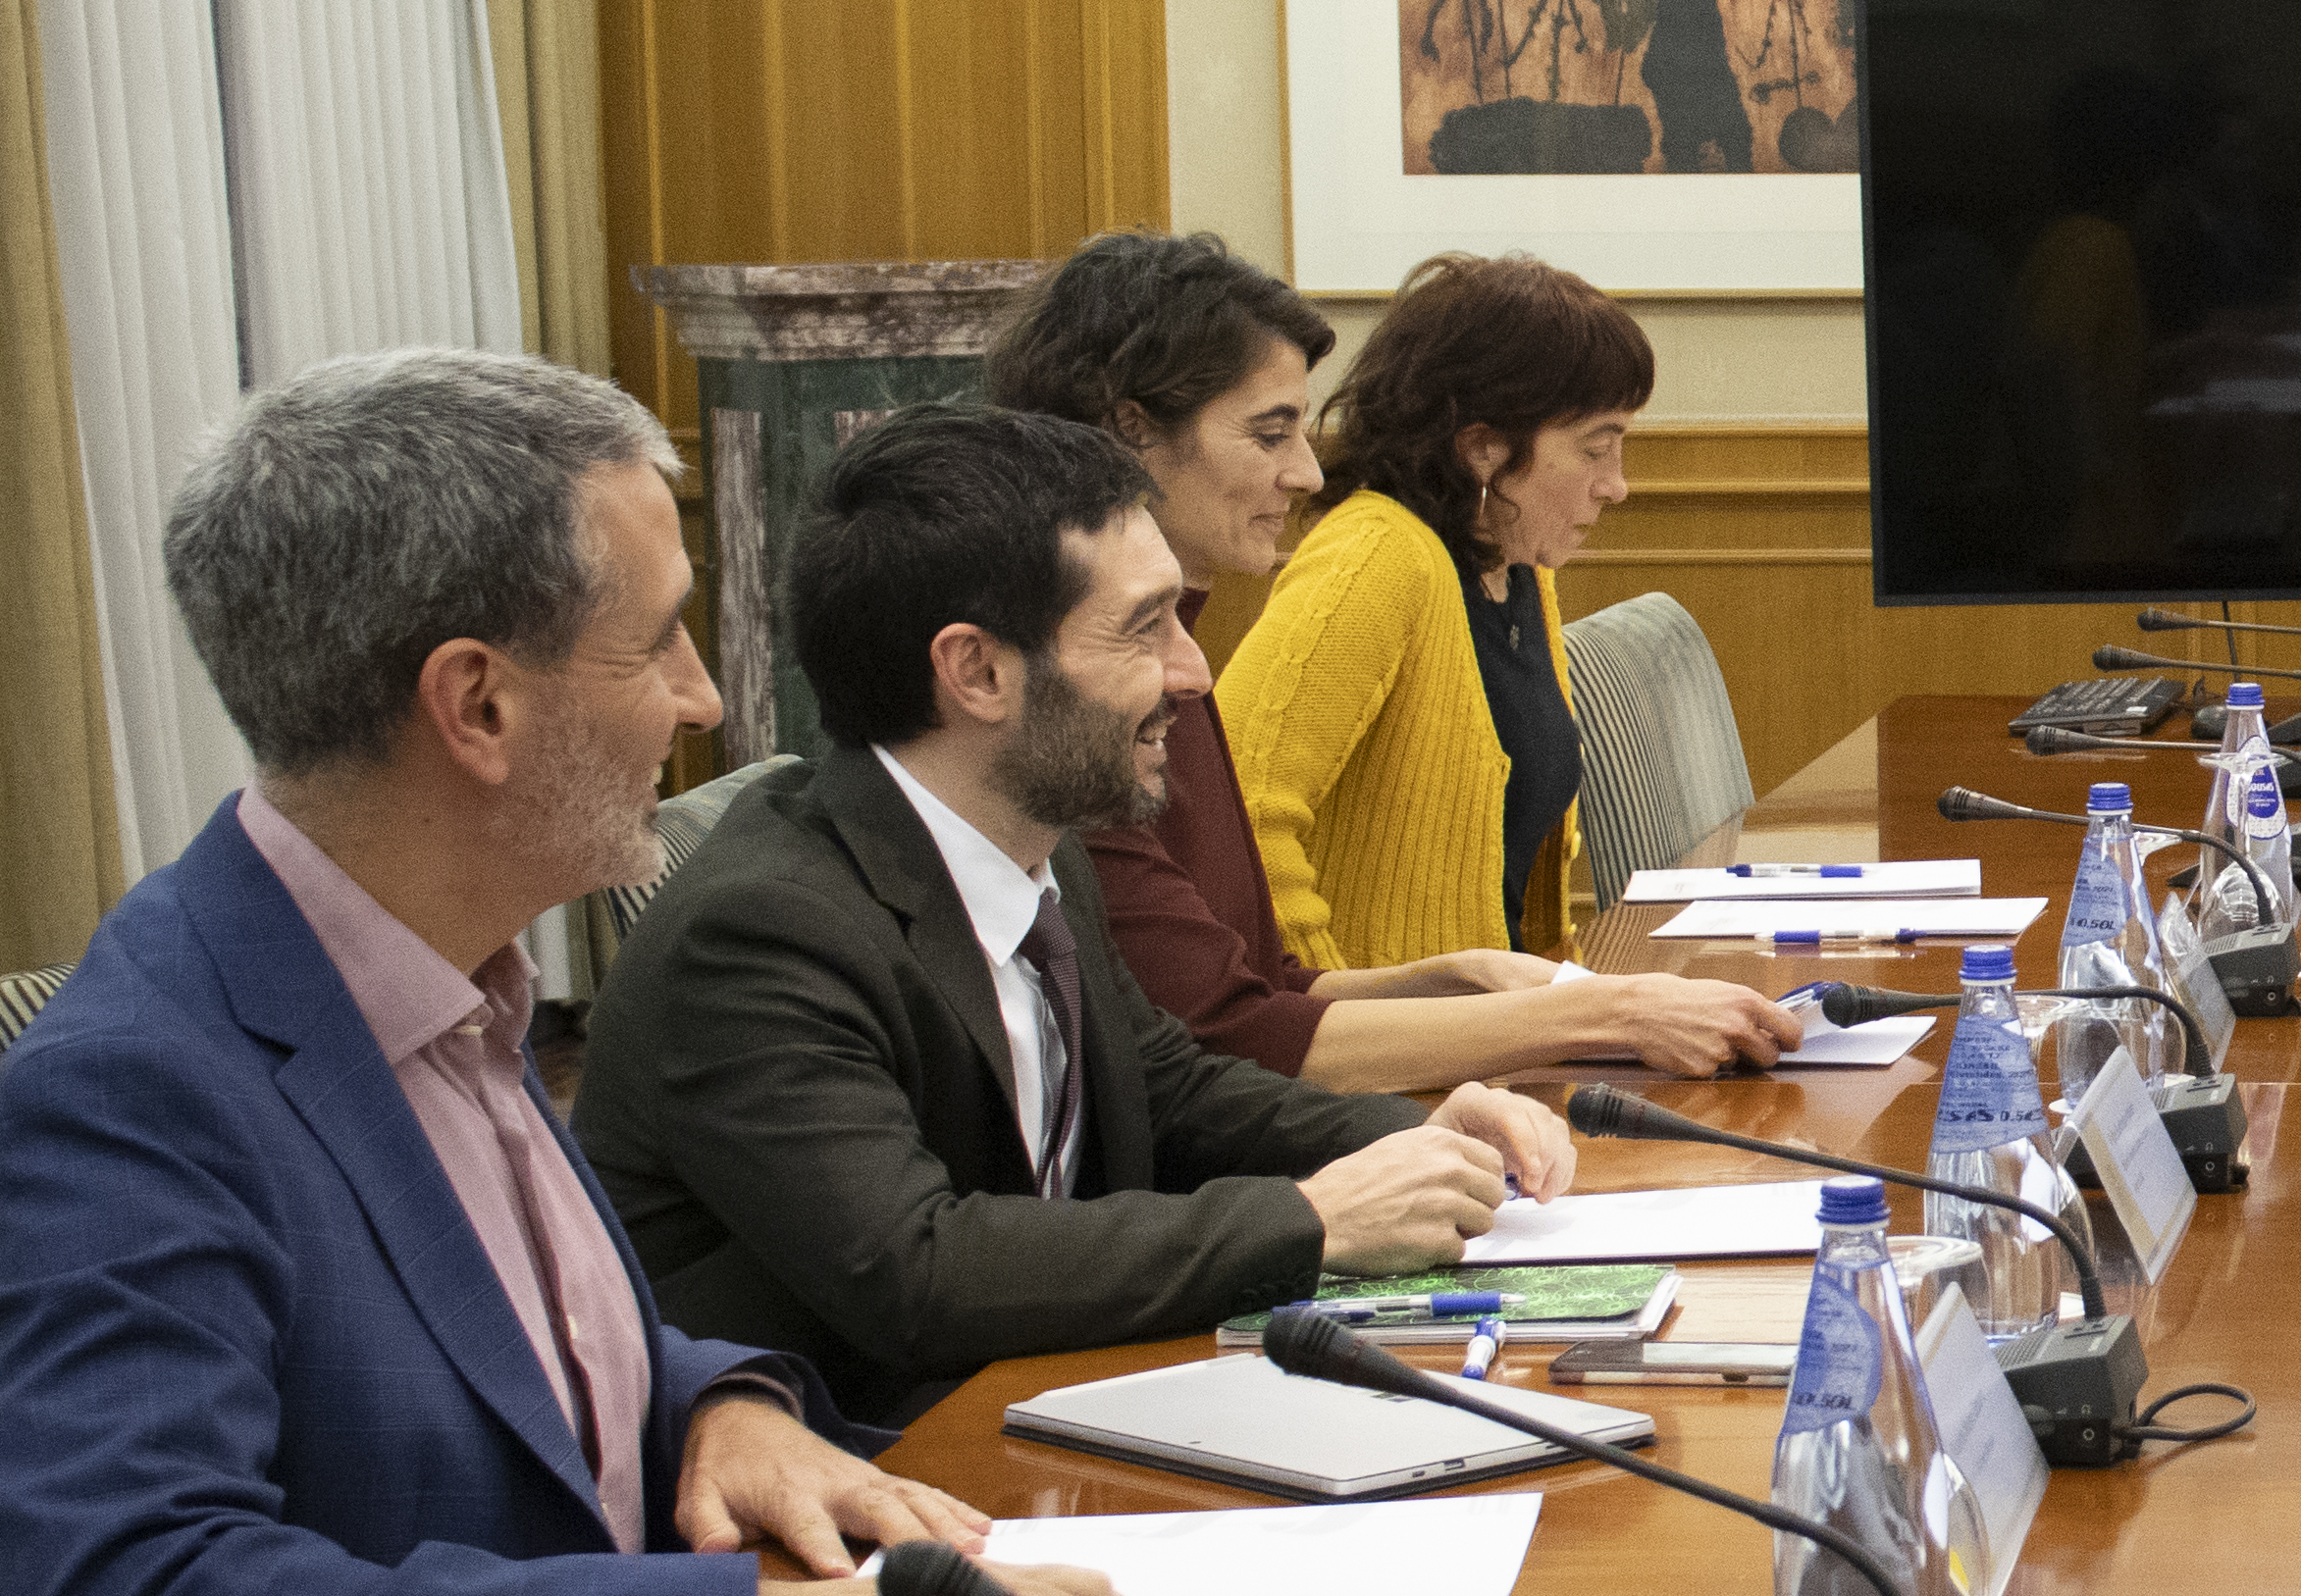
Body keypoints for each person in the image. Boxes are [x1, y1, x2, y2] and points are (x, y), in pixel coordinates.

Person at [0, 354, 1163, 1596]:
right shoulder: (137, 1089)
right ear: (475, 704)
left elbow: (486, 1349)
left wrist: (724, 1406)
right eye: (659, 637)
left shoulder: (443, 975)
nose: (703, 698)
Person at [580, 405, 1572, 1426]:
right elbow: (920, 1269)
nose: (1191, 671)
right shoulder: (760, 931)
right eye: (1146, 627)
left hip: (1042, 1416)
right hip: (873, 1484)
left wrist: (1410, 1133)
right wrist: (1312, 1217)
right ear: (977, 671)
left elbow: (1163, 1087)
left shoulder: (1037, 843)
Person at [980, 231, 1800, 1088]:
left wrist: (1464, 979)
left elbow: (1253, 981)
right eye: (1270, 435)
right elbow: (1223, 1033)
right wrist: (1582, 1015)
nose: (1304, 475)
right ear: (1129, 434)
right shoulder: (1072, 702)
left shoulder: (1501, 571)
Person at [1214, 251, 1648, 973]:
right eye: (1596, 449)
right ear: (1483, 448)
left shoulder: (1516, 571)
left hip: (1493, 1035)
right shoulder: (1376, 558)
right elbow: (1239, 807)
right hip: (1393, 1065)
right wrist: (1332, 1007)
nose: (1617, 486)